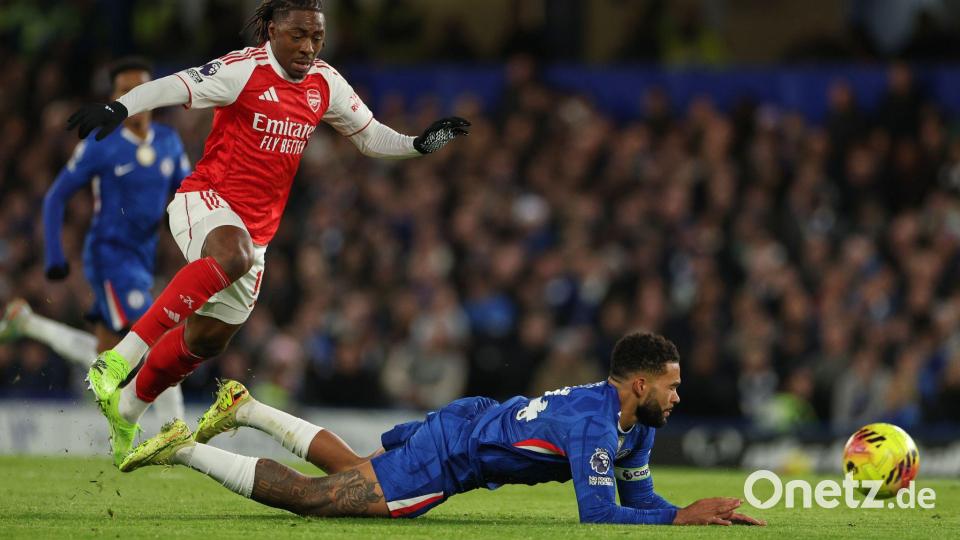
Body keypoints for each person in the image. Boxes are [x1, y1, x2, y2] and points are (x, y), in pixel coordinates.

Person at [65, 0, 469, 466]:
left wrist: (419, 145)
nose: (308, 47)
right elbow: (175, 86)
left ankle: (129, 405)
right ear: (273, 30)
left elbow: (369, 135)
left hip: (257, 234)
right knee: (231, 254)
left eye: (316, 37)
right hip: (205, 200)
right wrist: (121, 106)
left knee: (208, 340)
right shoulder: (244, 69)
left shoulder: (325, 83)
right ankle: (117, 359)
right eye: (298, 35)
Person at [121, 333, 765, 526]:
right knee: (315, 500)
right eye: (673, 385)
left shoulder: (634, 424)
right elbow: (598, 514)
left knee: (349, 473)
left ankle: (245, 410)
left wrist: (686, 513)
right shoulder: (596, 426)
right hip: (451, 457)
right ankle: (186, 449)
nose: (682, 396)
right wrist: (681, 520)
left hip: (470, 417)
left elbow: (640, 501)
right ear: (641, 384)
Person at [0, 57, 188, 420]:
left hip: (143, 257)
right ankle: (176, 431)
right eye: (125, 91)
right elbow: (56, 196)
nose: (135, 97)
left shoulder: (169, 140)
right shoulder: (102, 143)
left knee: (108, 354)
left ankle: (28, 323)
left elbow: (187, 190)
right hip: (110, 257)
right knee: (157, 334)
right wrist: (54, 256)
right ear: (114, 97)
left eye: (142, 89)